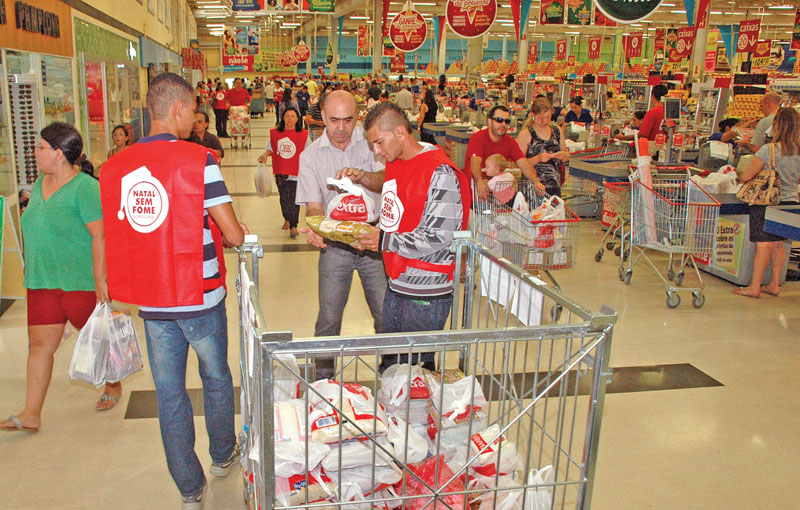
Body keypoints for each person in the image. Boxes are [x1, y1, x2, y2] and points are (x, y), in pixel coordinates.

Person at [99, 73, 246, 509]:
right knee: (216, 377)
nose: (195, 117)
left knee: (170, 394)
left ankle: (189, 488)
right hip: (200, 296)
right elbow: (233, 233)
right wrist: (239, 232)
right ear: (178, 109)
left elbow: (118, 233)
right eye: (193, 108)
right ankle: (222, 457)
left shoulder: (116, 165)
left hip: (152, 298)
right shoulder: (199, 159)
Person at [0, 122, 116, 433]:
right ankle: (31, 414)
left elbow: (100, 237)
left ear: (58, 153)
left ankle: (114, 383)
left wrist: (100, 280)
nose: (34, 152)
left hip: (79, 281)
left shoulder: (86, 188)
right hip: (42, 280)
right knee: (39, 346)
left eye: (39, 147)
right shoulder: (39, 183)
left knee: (98, 344)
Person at [340, 102, 470, 369]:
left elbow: (439, 236)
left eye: (378, 142)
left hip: (427, 292)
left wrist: (383, 240)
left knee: (415, 374)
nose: (376, 151)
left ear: (400, 132)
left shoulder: (439, 171)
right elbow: (398, 214)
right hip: (398, 282)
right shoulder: (398, 163)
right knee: (392, 365)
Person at [295, 90, 387, 348]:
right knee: (328, 321)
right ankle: (321, 384)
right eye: (334, 119)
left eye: (348, 120)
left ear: (358, 116)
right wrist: (316, 227)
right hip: (335, 246)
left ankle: (392, 378)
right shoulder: (310, 157)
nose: (341, 127)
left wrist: (362, 176)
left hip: (375, 241)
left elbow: (389, 180)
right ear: (323, 116)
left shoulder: (374, 145)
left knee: (385, 316)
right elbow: (314, 207)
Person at [734, 107, 800, 298]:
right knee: (779, 244)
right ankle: (774, 284)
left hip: (766, 202)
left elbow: (747, 175)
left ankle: (754, 286)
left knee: (763, 244)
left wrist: (738, 177)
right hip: (789, 201)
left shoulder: (769, 149)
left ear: (777, 125)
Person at [468, 105, 546, 199]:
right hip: (474, 193)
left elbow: (523, 163)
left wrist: (536, 181)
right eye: (499, 120)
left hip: (497, 194)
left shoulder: (510, 142)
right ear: (489, 121)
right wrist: (479, 181)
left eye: (507, 121)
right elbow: (475, 162)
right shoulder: (478, 138)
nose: (503, 124)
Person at [258, 107, 309, 239]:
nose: (290, 119)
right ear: (283, 118)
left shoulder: (304, 135)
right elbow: (270, 149)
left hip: (296, 173)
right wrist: (264, 155)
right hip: (280, 172)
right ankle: (287, 218)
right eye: (287, 116)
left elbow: (310, 152)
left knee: (293, 199)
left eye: (293, 116)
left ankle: (293, 225)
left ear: (297, 119)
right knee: (284, 198)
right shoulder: (275, 134)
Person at [517, 98, 570, 197]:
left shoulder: (556, 131)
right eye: (540, 118)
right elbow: (518, 163)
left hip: (554, 186)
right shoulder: (526, 134)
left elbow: (566, 155)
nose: (544, 121)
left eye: (547, 117)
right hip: (532, 188)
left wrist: (562, 155)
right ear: (533, 115)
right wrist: (538, 158)